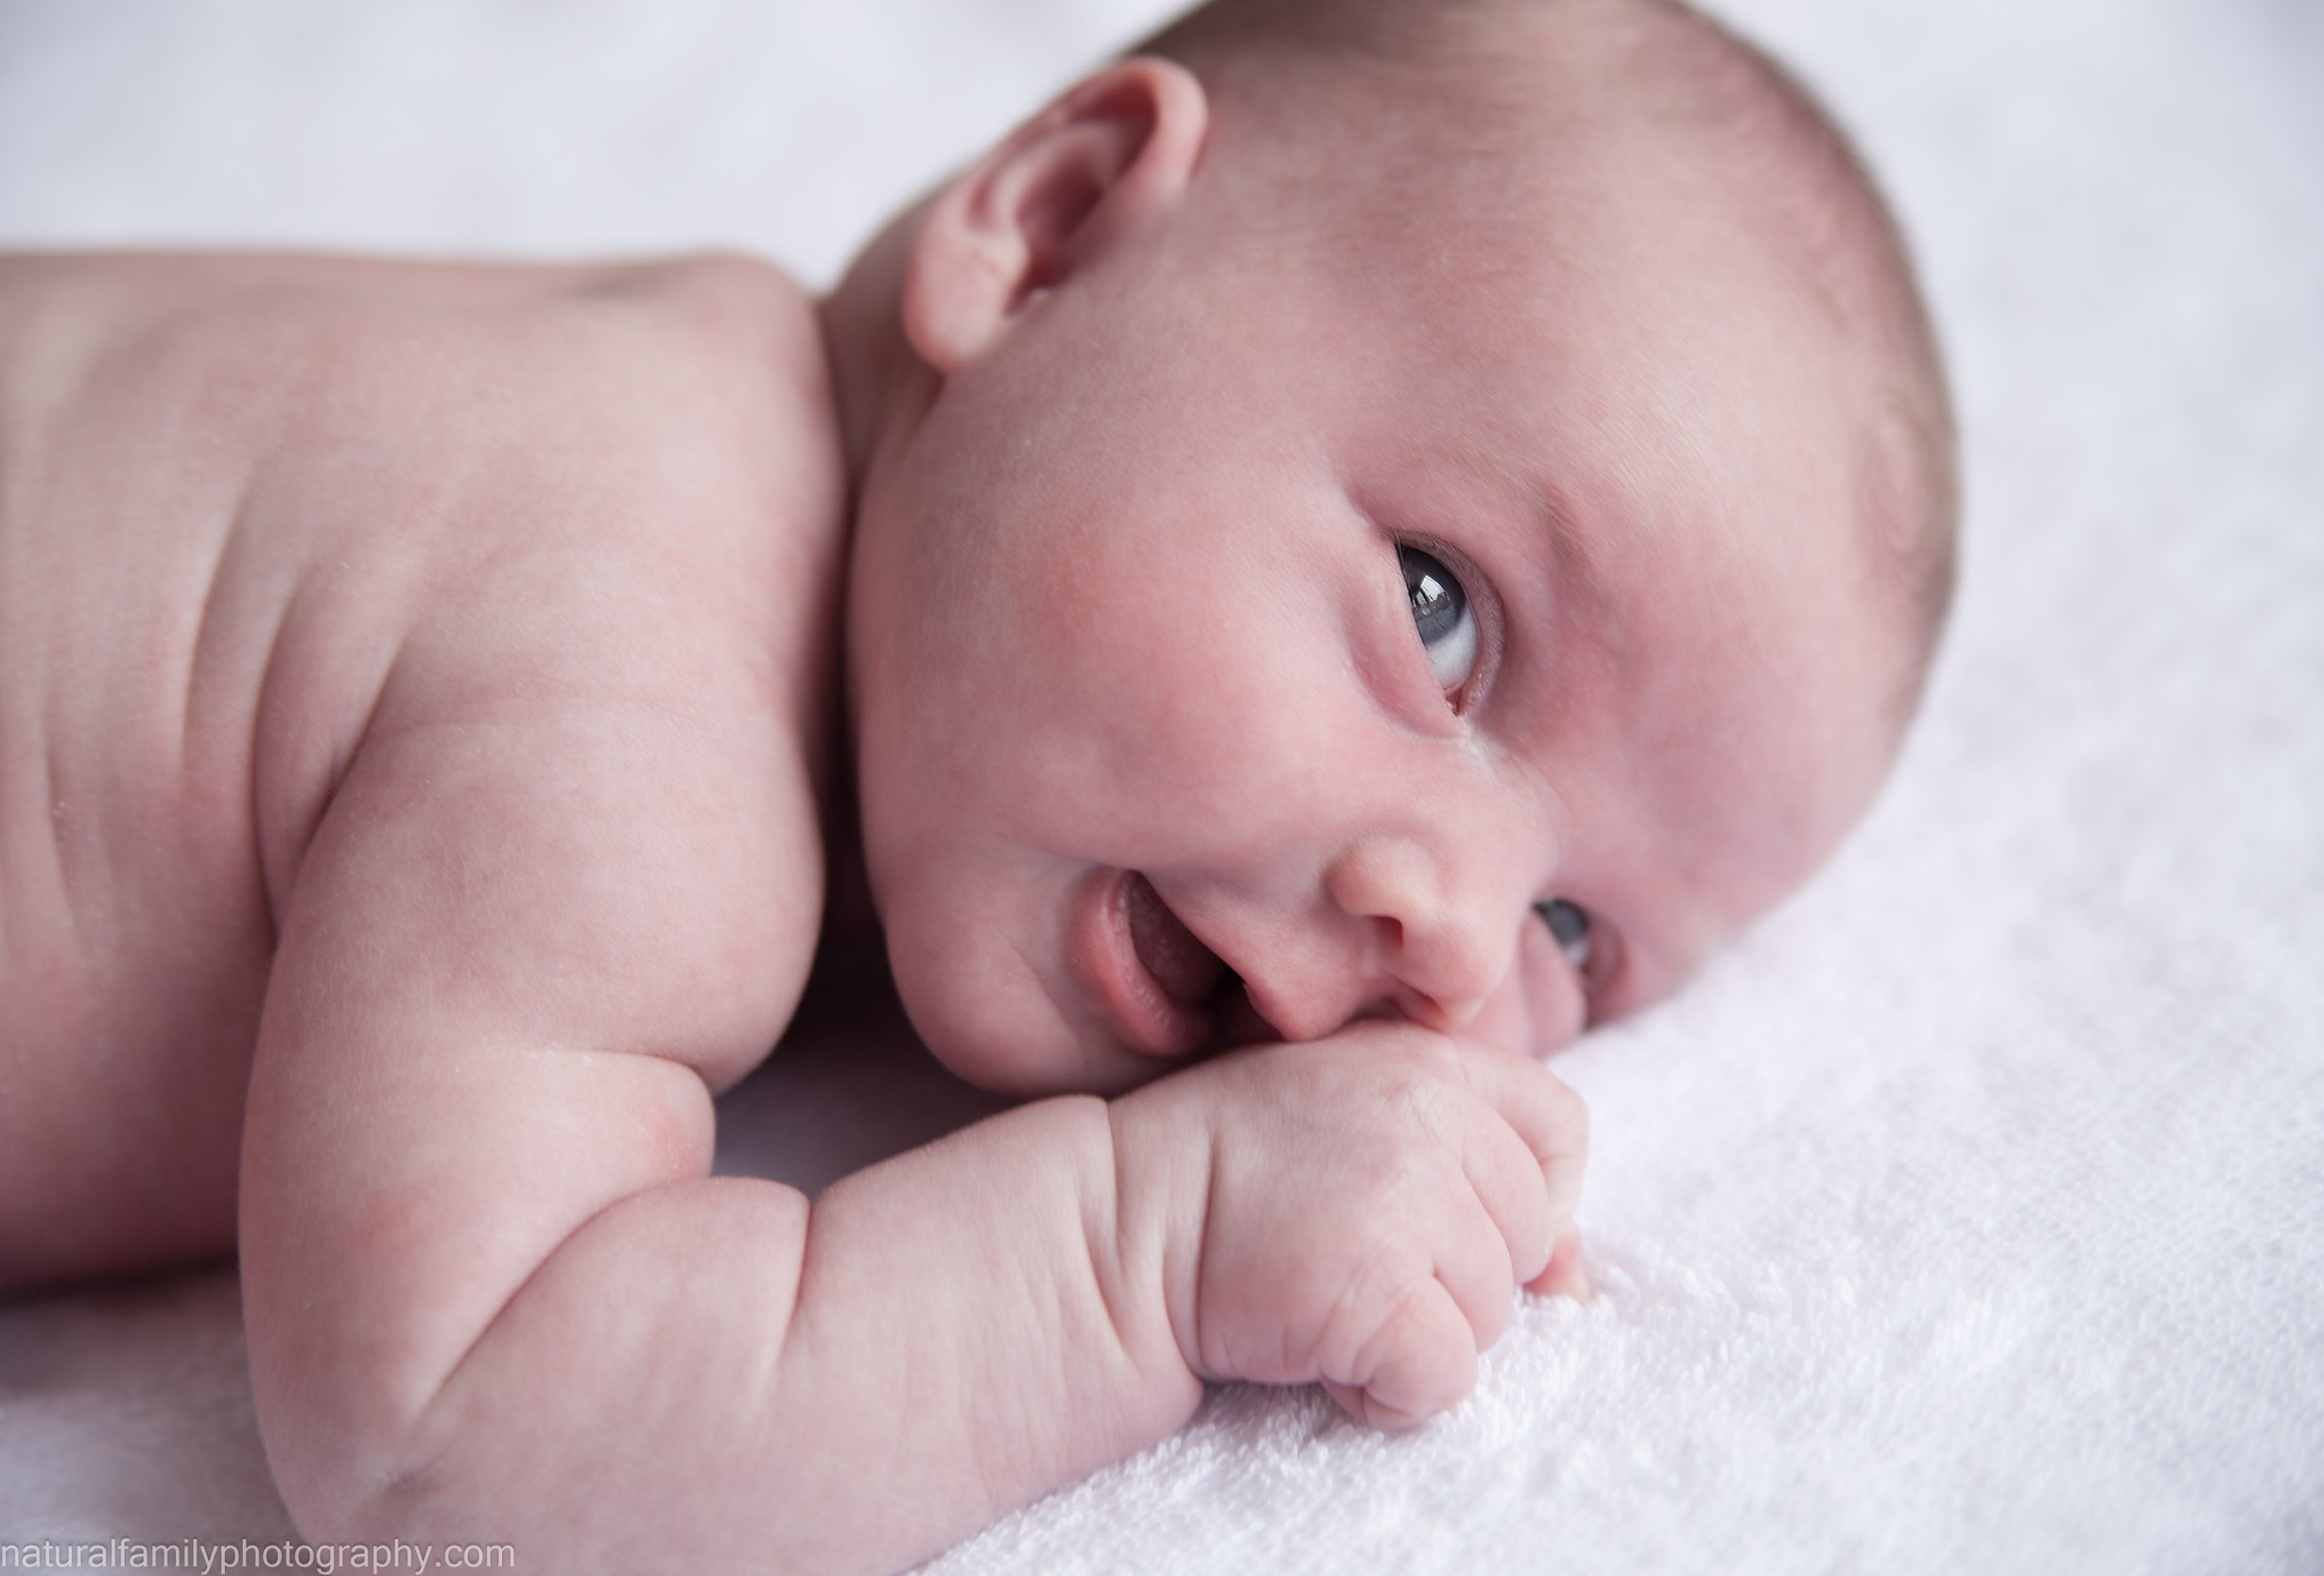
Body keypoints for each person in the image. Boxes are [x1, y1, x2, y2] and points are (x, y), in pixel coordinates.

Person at [0, 0, 1954, 1567]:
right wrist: (1144, 1249)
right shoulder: (627, 641)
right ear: (1050, 237)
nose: (1441, 929)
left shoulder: (710, 425)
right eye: (1436, 613)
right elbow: (440, 1457)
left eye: (1570, 933)